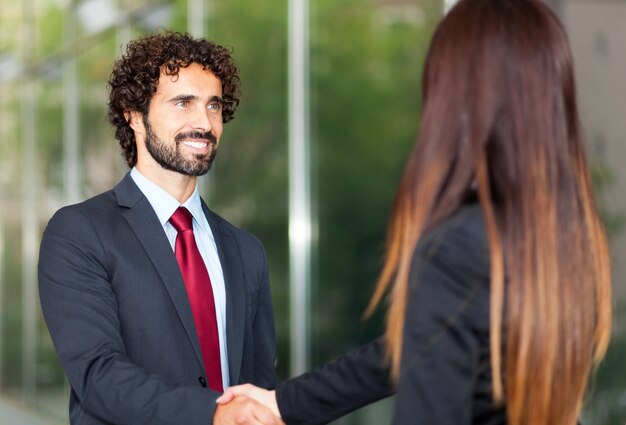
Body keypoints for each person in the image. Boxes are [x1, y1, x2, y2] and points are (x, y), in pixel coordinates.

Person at [217, 0, 613, 424]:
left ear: (460, 95)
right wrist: (285, 402)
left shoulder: (458, 246)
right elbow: (423, 345)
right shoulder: (564, 240)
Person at [38, 31, 280, 425]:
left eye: (214, 106)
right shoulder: (79, 233)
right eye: (183, 103)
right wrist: (215, 414)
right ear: (133, 114)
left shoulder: (245, 249)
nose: (204, 122)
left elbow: (258, 383)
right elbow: (99, 377)